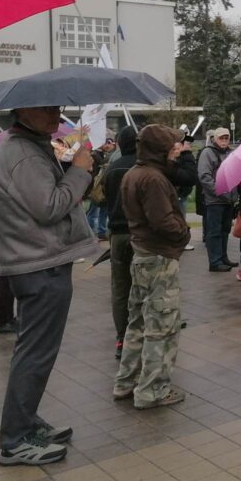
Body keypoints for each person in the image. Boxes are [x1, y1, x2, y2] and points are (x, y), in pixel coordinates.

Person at [0, 105, 96, 466]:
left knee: (35, 350)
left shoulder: (29, 147)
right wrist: (79, 173)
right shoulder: (22, 154)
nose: (56, 114)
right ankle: (16, 439)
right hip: (38, 264)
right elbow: (49, 206)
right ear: (23, 111)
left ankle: (26, 422)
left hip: (37, 261)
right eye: (47, 108)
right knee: (35, 353)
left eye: (58, 108)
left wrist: (68, 168)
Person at [112, 125, 191, 409]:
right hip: (158, 257)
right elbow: (163, 221)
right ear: (160, 149)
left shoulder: (134, 173)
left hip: (143, 255)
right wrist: (183, 234)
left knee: (138, 323)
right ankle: (153, 390)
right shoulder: (153, 178)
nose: (177, 150)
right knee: (161, 325)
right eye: (172, 146)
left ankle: (127, 382)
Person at [104, 126, 139, 360]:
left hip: (117, 232)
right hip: (139, 233)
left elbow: (103, 197)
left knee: (120, 287)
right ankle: (141, 333)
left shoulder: (111, 168)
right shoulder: (143, 167)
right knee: (144, 285)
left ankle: (122, 336)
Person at [198, 128, 236, 272]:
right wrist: (221, 192)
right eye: (221, 138)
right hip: (214, 200)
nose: (224, 141)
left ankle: (223, 257)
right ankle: (215, 261)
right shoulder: (207, 153)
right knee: (214, 232)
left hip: (228, 199)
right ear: (214, 139)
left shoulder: (230, 153)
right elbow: (205, 177)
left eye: (227, 138)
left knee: (225, 230)